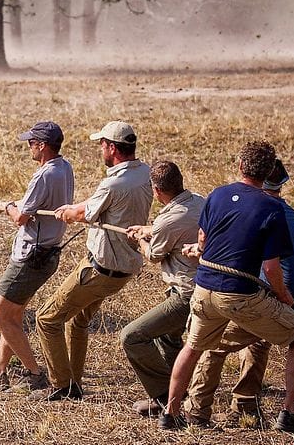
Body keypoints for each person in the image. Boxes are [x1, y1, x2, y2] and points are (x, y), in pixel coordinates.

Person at [160, 141, 294, 435]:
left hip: (203, 289)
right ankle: (290, 412)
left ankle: (171, 413)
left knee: (192, 347)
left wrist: (202, 250)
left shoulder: (216, 195)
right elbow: (270, 268)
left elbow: (203, 240)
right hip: (240, 295)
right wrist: (283, 296)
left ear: (240, 166)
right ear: (269, 172)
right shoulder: (273, 208)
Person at [36, 120, 152, 400]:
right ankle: (73, 382)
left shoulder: (113, 183)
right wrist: (76, 208)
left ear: (112, 148)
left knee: (47, 319)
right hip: (123, 268)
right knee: (77, 322)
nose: (100, 148)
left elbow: (86, 214)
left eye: (102, 144)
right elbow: (95, 205)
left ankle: (62, 385)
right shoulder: (143, 172)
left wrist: (70, 212)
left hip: (100, 269)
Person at [0, 121, 74, 390]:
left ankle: (34, 373)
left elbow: (21, 217)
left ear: (42, 146)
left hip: (31, 255)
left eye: (32, 143)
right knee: (13, 315)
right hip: (48, 252)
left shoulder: (43, 175)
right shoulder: (64, 167)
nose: (29, 147)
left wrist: (6, 206)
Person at [119, 160, 205, 417]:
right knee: (168, 336)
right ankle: (175, 395)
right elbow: (172, 227)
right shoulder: (199, 202)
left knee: (132, 337)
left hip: (186, 294)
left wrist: (139, 241)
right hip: (202, 288)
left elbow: (155, 254)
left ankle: (165, 397)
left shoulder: (168, 220)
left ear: (156, 191)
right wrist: (149, 229)